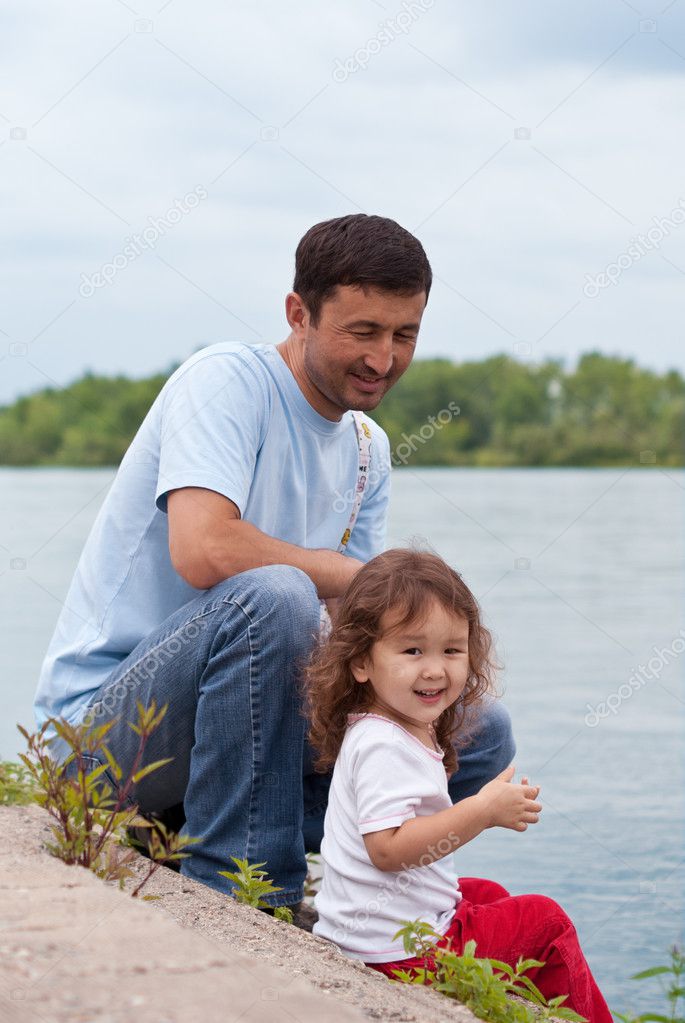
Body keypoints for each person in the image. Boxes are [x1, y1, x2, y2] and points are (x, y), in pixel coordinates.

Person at [33, 213, 514, 919]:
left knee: (477, 729)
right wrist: (355, 576)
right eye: (362, 331)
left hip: (222, 755)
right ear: (299, 313)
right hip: (101, 745)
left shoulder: (364, 449)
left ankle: (353, 882)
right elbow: (204, 550)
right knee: (277, 597)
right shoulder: (226, 381)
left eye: (403, 334)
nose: (383, 358)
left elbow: (346, 639)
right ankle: (242, 886)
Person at [306, 548, 612, 1021]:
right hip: (397, 957)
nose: (435, 669)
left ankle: (517, 1004)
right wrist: (482, 812)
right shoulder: (383, 745)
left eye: (451, 649)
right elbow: (387, 849)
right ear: (361, 662)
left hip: (372, 934)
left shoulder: (393, 724)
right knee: (546, 921)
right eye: (412, 651)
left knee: (484, 893)